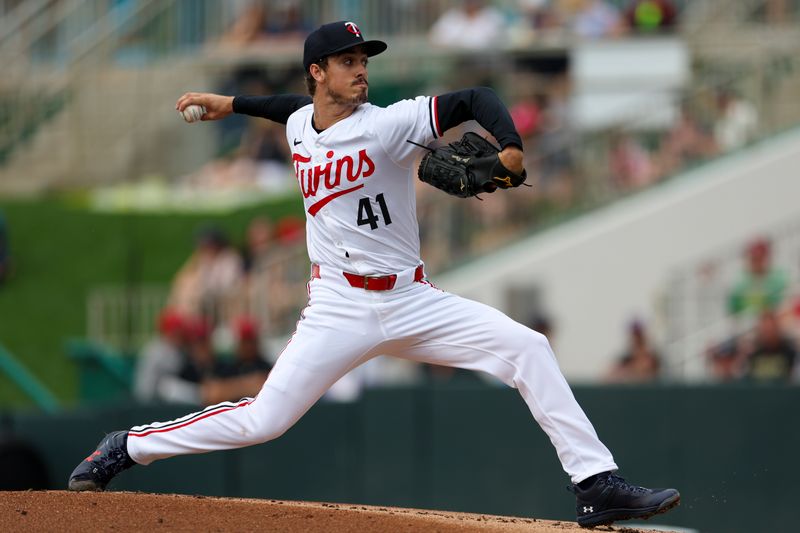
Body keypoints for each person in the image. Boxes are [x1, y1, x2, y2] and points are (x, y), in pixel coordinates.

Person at [67, 21, 679, 528]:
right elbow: (285, 111)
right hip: (337, 307)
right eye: (347, 61)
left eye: (364, 60)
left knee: (527, 347)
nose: (361, 69)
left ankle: (595, 483)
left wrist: (511, 145)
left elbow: (475, 99)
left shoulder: (391, 124)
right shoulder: (304, 124)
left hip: (411, 298)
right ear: (317, 73)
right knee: (263, 422)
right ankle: (128, 447)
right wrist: (230, 103)